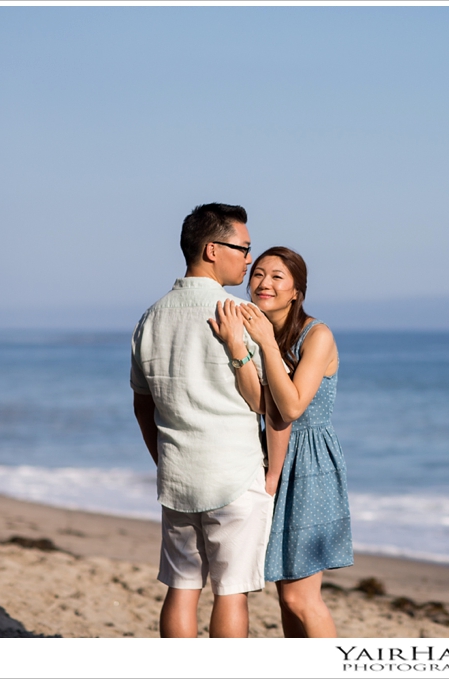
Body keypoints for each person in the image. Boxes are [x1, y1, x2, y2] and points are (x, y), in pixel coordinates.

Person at [130, 203, 287, 638]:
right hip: (233, 473)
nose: (249, 259)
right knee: (231, 592)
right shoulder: (241, 314)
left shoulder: (151, 316)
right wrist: (272, 472)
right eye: (244, 248)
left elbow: (143, 405)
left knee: (181, 587)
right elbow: (269, 405)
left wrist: (161, 459)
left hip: (179, 473)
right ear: (213, 249)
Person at [240, 246, 353, 638]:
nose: (264, 283)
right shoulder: (256, 330)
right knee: (284, 589)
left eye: (277, 277)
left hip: (309, 463)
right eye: (257, 274)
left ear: (296, 291)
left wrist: (265, 344)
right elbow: (260, 402)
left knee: (300, 598)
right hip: (272, 454)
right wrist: (242, 349)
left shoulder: (317, 335)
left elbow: (291, 406)